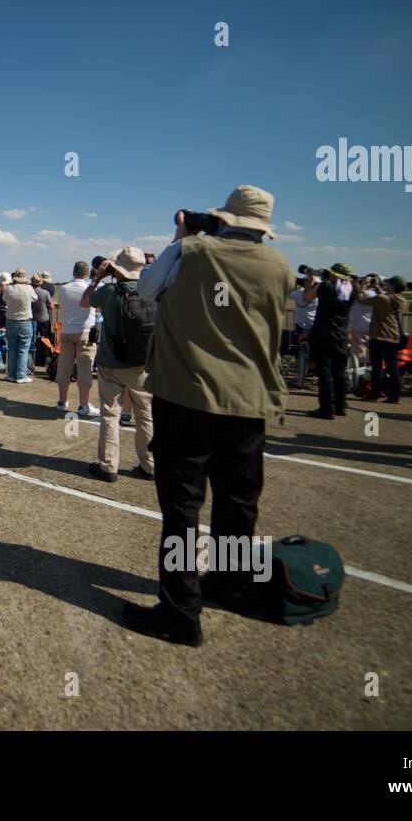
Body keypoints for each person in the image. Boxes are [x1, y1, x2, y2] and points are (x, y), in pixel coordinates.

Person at [125, 186, 292, 646]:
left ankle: (180, 611)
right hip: (250, 400)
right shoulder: (280, 266)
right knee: (238, 504)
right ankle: (231, 584)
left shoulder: (191, 251)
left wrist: (182, 235)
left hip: (188, 396)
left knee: (182, 507)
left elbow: (146, 289)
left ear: (223, 217)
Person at [84, 248, 154, 482]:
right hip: (143, 363)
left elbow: (86, 300)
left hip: (111, 363)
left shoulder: (109, 291)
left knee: (109, 414)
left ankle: (108, 466)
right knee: (145, 415)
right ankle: (149, 465)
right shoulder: (151, 290)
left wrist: (97, 278)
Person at [300, 263, 356, 419]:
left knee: (324, 372)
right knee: (340, 371)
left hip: (323, 334)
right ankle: (341, 404)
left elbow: (306, 297)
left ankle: (326, 408)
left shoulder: (325, 287)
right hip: (341, 334)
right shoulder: (353, 289)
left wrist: (311, 280)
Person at [54, 261, 98, 416]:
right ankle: (83, 404)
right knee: (85, 368)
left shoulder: (63, 288)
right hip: (85, 330)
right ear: (86, 273)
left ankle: (62, 401)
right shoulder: (91, 288)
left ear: (73, 272)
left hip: (66, 330)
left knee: (64, 367)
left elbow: (63, 308)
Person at [355, 275, 407, 403]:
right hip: (393, 336)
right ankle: (395, 395)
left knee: (377, 366)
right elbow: (386, 298)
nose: (385, 284)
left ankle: (376, 392)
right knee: (392, 366)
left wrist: (363, 286)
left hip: (378, 336)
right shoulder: (401, 300)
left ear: (393, 286)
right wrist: (378, 288)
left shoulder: (381, 299)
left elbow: (360, 300)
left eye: (388, 283)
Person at [2, 269, 37, 383]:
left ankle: (11, 374)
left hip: (11, 321)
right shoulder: (29, 288)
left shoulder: (8, 288)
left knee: (12, 349)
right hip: (25, 322)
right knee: (23, 349)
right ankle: (21, 375)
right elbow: (35, 298)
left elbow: (4, 299)